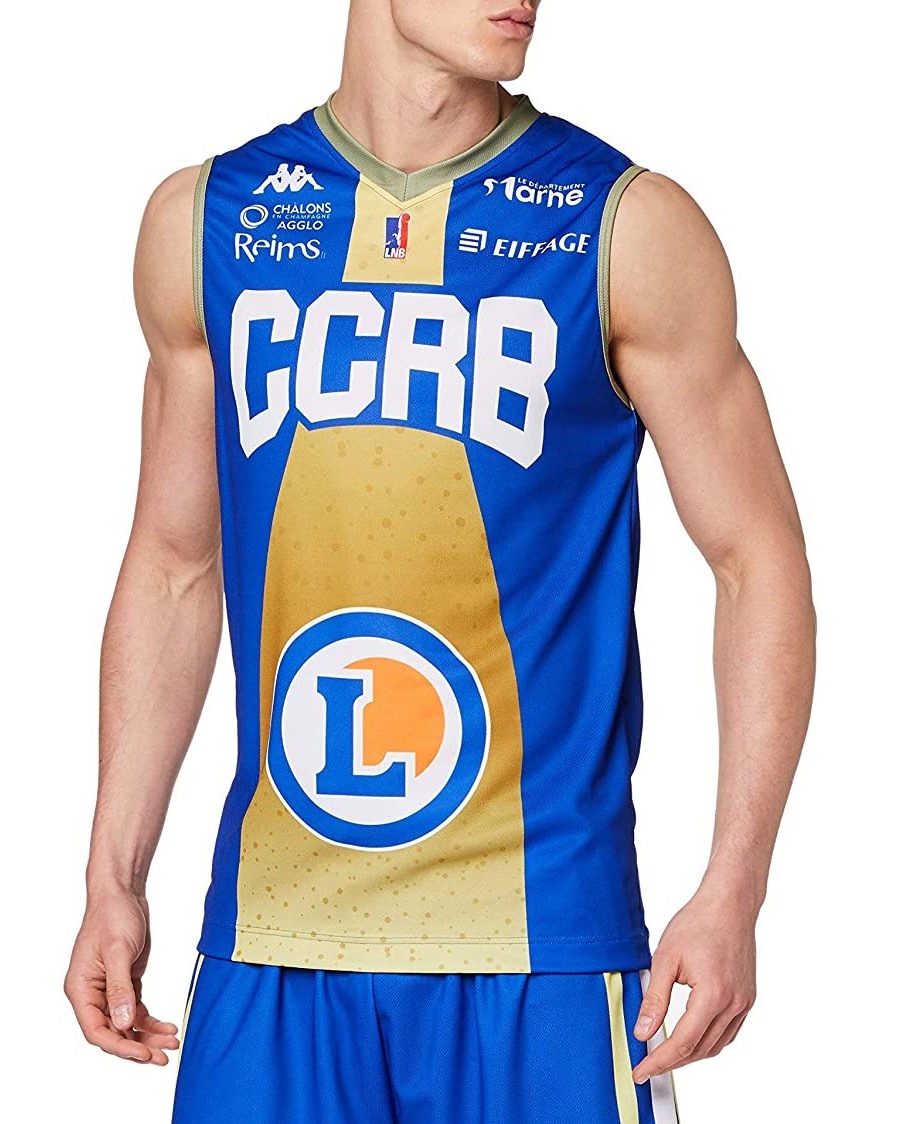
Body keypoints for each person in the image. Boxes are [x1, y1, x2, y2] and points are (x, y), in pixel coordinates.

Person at [64, 1, 816, 1121]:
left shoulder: (625, 226)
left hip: (545, 946)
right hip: (274, 933)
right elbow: (175, 562)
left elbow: (757, 558)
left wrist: (734, 885)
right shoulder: (207, 221)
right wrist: (113, 875)